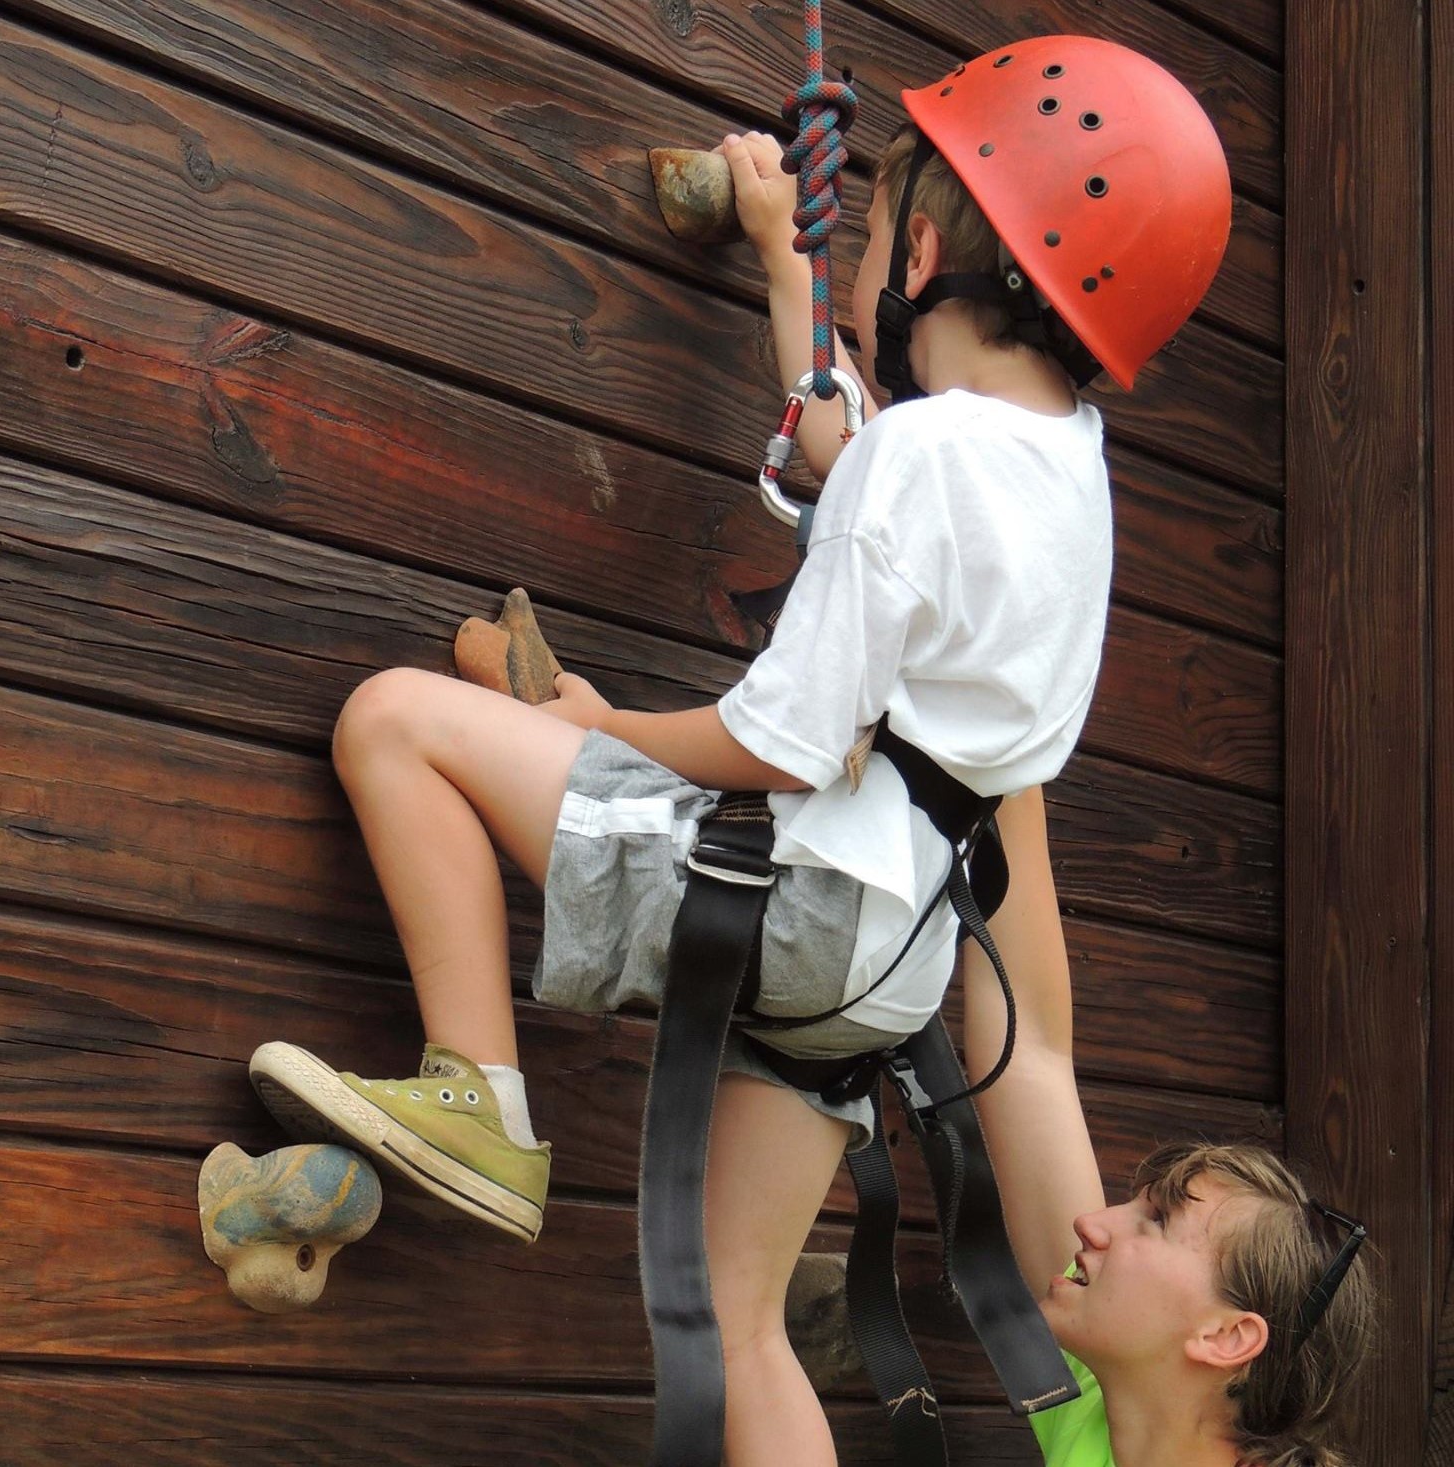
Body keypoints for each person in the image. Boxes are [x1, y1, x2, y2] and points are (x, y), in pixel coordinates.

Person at [248, 36, 1231, 1465]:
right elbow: (851, 455)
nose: (873, 257)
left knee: (395, 721)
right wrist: (788, 261)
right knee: (736, 1310)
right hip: (896, 967)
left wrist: (600, 727)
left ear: (932, 251)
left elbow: (779, 735)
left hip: (799, 901)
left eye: (878, 234)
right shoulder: (1064, 471)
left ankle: (477, 1093)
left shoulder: (927, 460)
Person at [967, 790, 1376, 1467]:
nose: (1092, 1223)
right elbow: (1028, 1051)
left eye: (1154, 1219)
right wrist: (1014, 757)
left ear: (1226, 1336)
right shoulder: (1107, 1419)